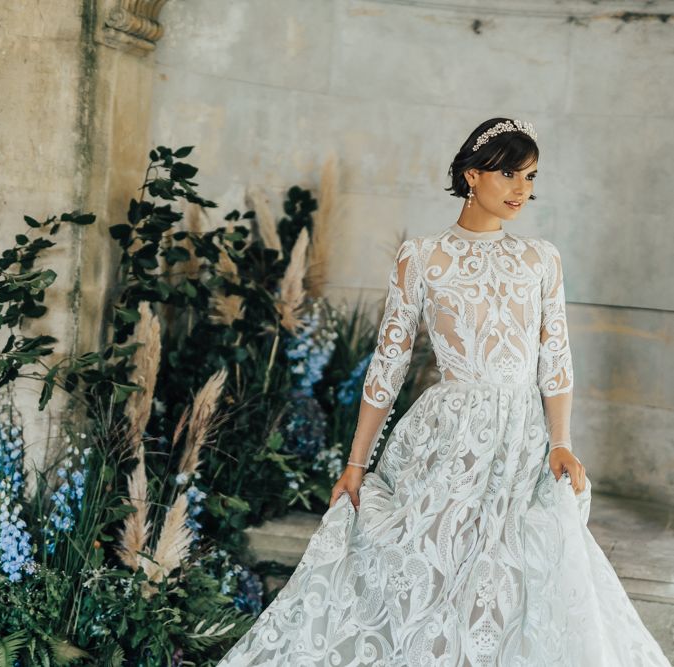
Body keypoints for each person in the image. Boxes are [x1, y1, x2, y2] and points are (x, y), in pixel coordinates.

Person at [217, 118, 672, 666]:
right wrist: (356, 465)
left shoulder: (540, 258)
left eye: (530, 176)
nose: (522, 189)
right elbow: (388, 364)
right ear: (470, 175)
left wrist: (561, 442)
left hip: (520, 439)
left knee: (514, 572)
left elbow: (556, 360)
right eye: (509, 173)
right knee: (431, 569)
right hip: (445, 436)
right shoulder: (423, 256)